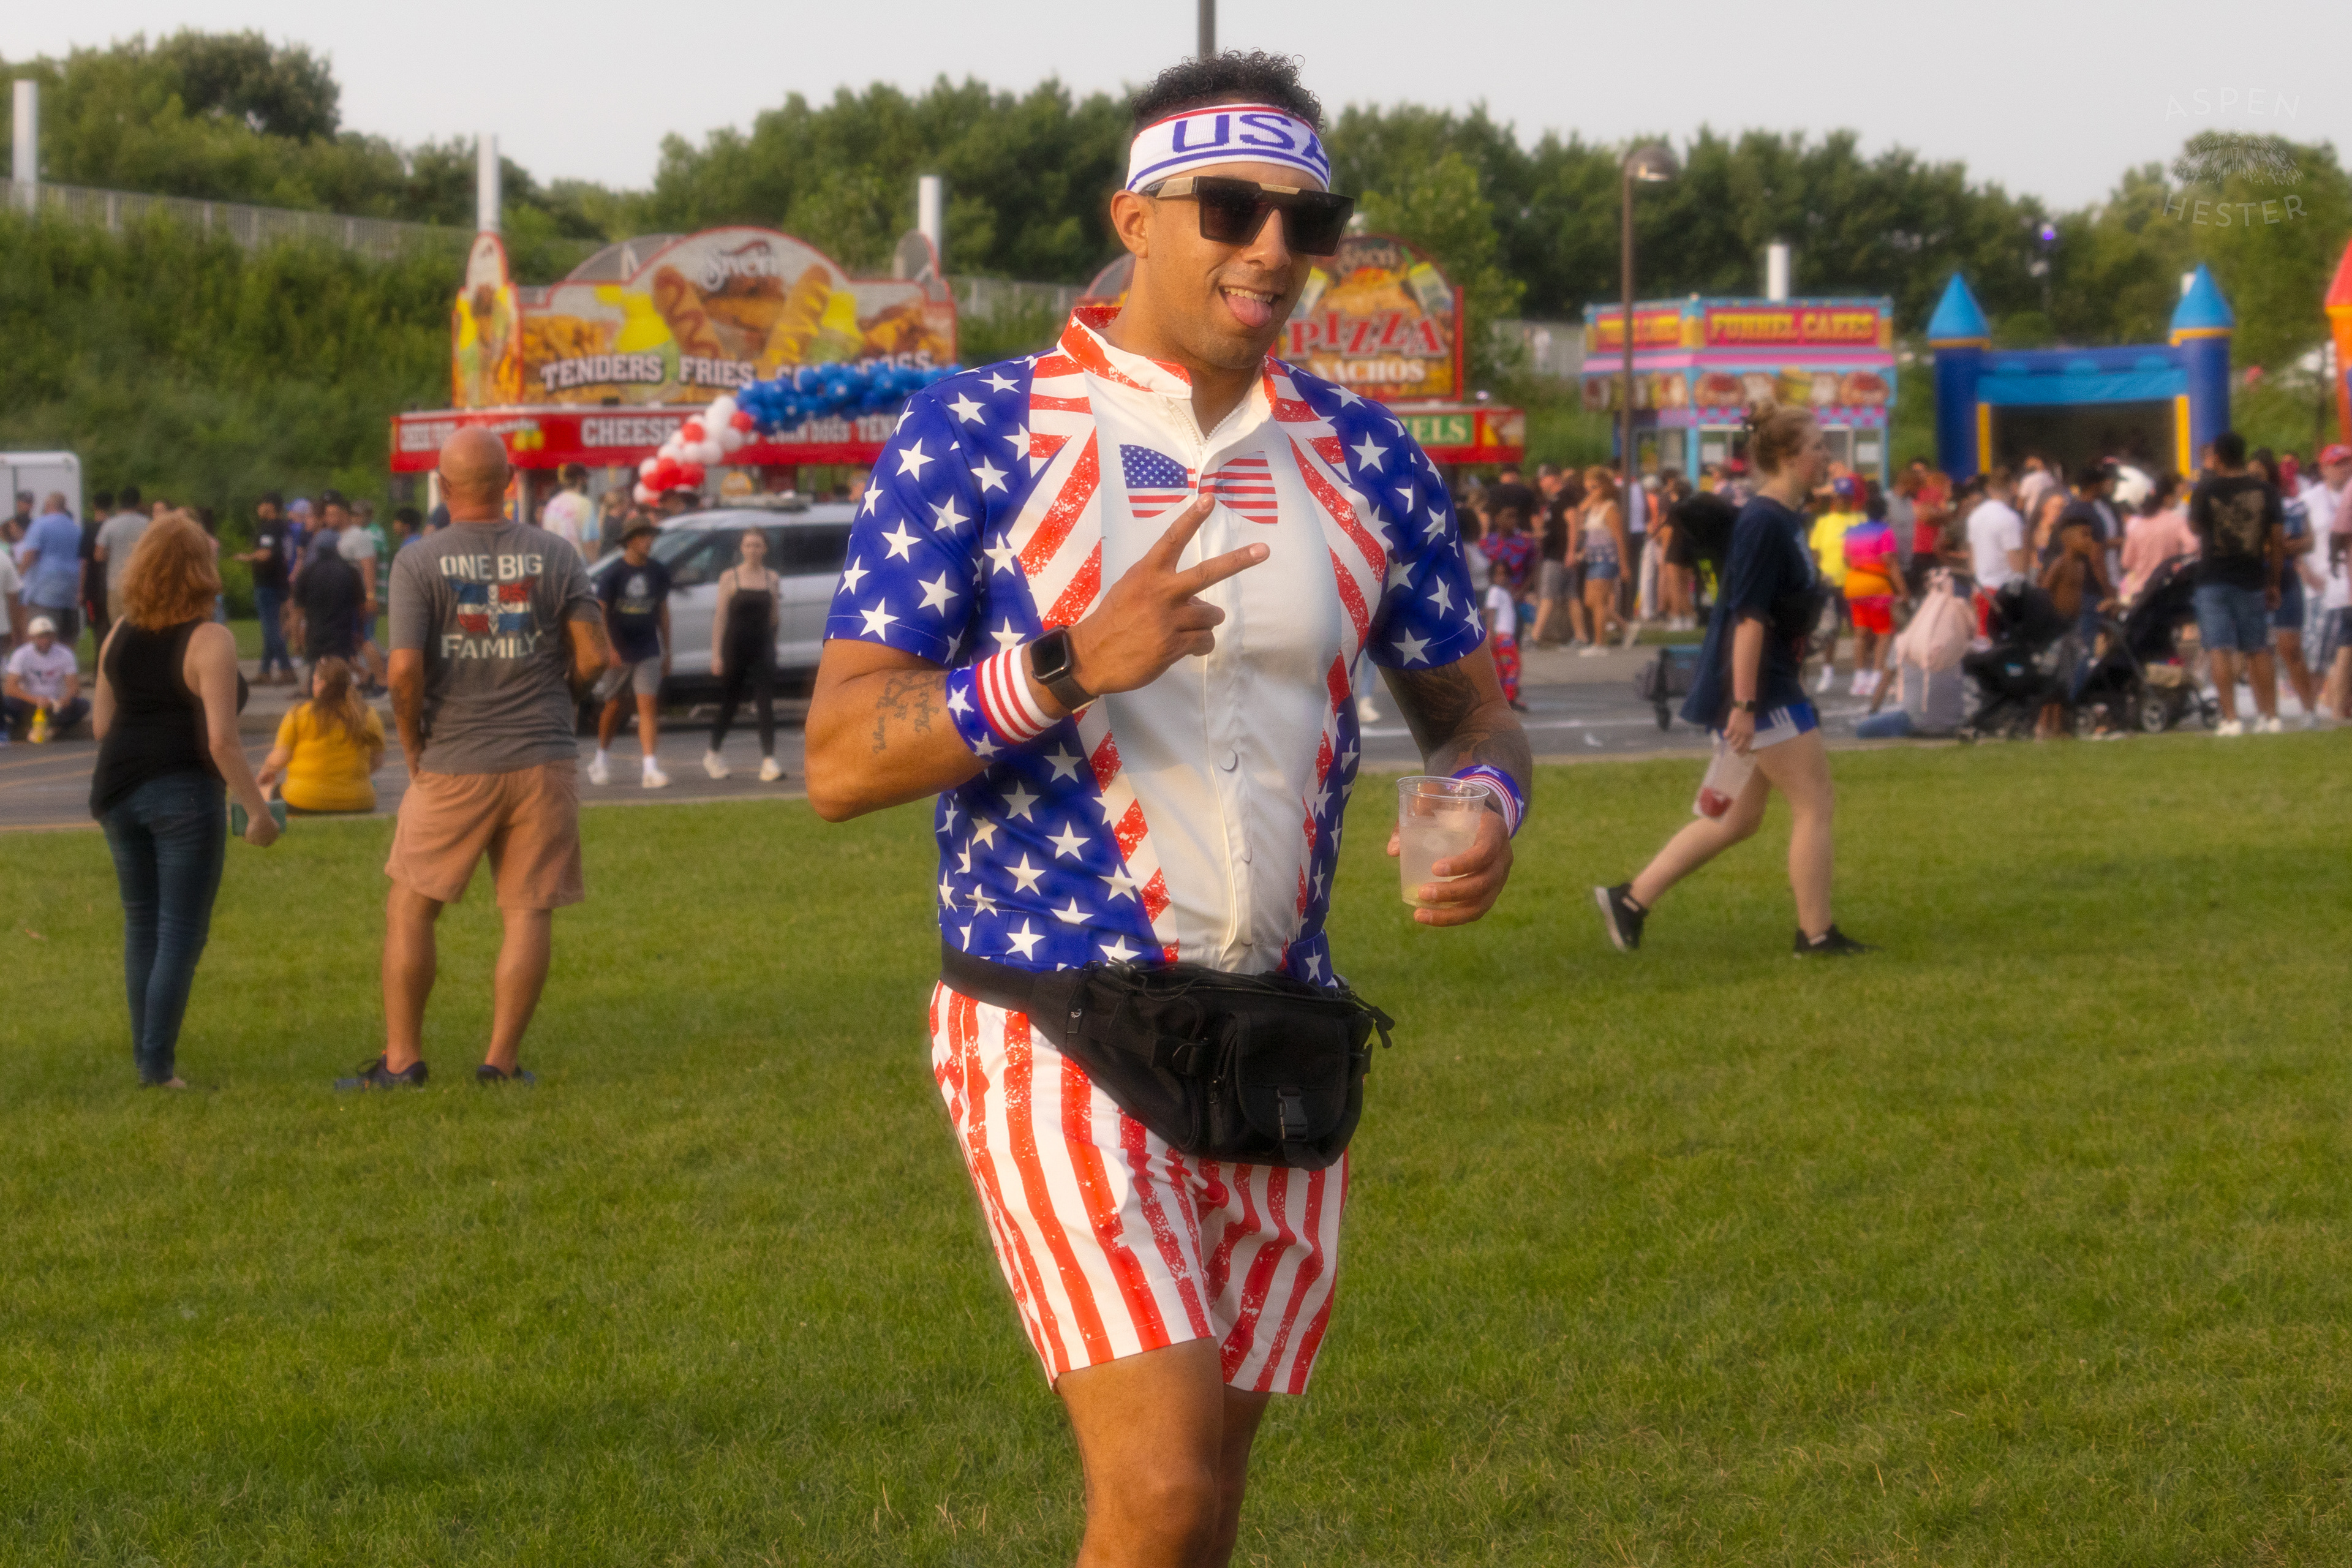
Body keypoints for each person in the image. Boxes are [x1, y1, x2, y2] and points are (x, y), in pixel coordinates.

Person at [802, 50, 1528, 1566]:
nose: (1272, 247)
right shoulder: (978, 432)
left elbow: (1471, 713)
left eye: (1306, 220)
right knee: (1162, 1492)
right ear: (1134, 219)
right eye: (1231, 206)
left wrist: (1479, 802)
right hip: (1051, 1012)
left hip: (1280, 1029)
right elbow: (840, 756)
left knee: (1197, 1513)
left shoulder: (1364, 456)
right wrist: (1067, 664)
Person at [358, 428, 608, 1091]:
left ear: (442, 488)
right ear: (510, 483)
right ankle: (500, 1063)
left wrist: (413, 743)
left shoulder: (418, 561)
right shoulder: (557, 554)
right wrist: (568, 699)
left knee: (411, 908)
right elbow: (595, 656)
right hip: (542, 756)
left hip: (454, 757)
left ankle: (403, 1058)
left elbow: (405, 671)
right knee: (527, 911)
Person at [1596, 404, 1872, 957]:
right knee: (1815, 803)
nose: (1827, 456)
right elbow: (1747, 619)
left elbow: (1774, 608)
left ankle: (1631, 900)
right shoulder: (1765, 522)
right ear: (1790, 456)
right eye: (1819, 446)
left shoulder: (1785, 519)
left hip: (1764, 682)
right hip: (1760, 688)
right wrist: (1743, 704)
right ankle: (1815, 935)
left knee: (1737, 819)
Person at [89, 514, 279, 1088]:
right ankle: (157, 1068)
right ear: (202, 570)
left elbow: (102, 725)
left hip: (117, 790)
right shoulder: (210, 640)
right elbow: (221, 740)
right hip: (181, 794)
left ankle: (148, 1057)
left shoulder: (119, 632)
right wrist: (258, 811)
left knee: (141, 925)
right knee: (178, 933)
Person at [2187, 431, 2284, 736]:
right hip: (2252, 577)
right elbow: (2278, 541)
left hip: (2212, 577)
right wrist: (2274, 582)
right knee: (2258, 647)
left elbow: (2193, 526)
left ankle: (2231, 719)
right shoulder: (2267, 491)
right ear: (2244, 455)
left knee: (2219, 647)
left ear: (2217, 456)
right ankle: (2271, 717)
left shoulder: (2206, 489)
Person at [589, 520, 673, 788]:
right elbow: (600, 611)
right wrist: (608, 647)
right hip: (620, 648)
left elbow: (662, 611)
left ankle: (650, 768)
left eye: (651, 536)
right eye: (643, 537)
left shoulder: (658, 571)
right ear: (630, 541)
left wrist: (667, 649)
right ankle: (601, 758)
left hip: (648, 646)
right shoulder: (614, 573)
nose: (648, 542)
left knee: (647, 705)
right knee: (615, 705)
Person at [255, 655, 386, 813]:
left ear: (321, 685)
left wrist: (266, 771)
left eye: (314, 680)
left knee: (259, 791)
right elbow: (377, 761)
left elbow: (280, 758)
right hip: (359, 801)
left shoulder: (300, 714)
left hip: (303, 800)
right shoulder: (367, 715)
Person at [704, 529, 785, 782]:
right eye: (749, 545)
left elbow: (774, 617)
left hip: (762, 647)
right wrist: (716, 655)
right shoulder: (730, 577)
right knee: (730, 702)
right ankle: (713, 752)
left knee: (765, 704)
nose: (753, 550)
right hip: (735, 647)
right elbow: (720, 618)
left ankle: (769, 760)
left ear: (765, 549)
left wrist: (774, 645)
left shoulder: (772, 578)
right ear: (741, 548)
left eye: (758, 545)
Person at [2250, 449, 2321, 723]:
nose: (2254, 479)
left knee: (2291, 648)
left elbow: (2309, 541)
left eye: (2259, 474)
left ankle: (2309, 710)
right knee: (2256, 650)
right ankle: (2265, 712)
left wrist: (2280, 547)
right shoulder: (2246, 510)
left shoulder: (2292, 506)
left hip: (2287, 579)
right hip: (2255, 580)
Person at [291, 511, 366, 675]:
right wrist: (360, 632)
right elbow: (361, 607)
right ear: (337, 545)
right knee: (340, 676)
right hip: (342, 634)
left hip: (316, 633)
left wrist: (296, 638)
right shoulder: (350, 572)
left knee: (317, 675)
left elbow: (298, 610)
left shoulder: (307, 573)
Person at [15, 492, 85, 649]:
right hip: (70, 589)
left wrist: (19, 574)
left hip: (45, 590)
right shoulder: (75, 529)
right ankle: (67, 667)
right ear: (64, 507)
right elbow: (81, 559)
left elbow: (30, 553)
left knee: (38, 633)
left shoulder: (40, 524)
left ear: (48, 506)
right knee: (67, 638)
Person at [241, 491, 297, 684]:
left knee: (271, 630)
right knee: (271, 630)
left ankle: (287, 670)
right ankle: (264, 672)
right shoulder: (285, 526)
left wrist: (247, 557)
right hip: (282, 581)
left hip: (267, 583)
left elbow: (266, 554)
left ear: (270, 506)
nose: (258, 509)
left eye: (260, 505)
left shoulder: (269, 527)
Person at [4, 615, 91, 738]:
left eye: (49, 636)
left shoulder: (65, 654)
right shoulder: (21, 655)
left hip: (55, 704)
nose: (45, 641)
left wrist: (65, 699)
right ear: (31, 638)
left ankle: (54, 728)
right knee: (7, 702)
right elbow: (10, 688)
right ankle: (27, 727)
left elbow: (74, 687)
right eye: (41, 637)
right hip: (29, 703)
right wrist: (36, 700)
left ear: (54, 636)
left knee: (82, 705)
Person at [2118, 473, 2197, 602]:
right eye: (2175, 496)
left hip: (2141, 594)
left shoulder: (2134, 523)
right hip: (2169, 590)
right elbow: (2193, 546)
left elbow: (2126, 562)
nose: (2177, 500)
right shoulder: (2177, 522)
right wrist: (2177, 565)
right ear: (2167, 498)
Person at [1577, 467, 1629, 652]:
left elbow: (1619, 538)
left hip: (1607, 558)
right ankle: (1625, 628)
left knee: (1599, 602)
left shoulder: (1610, 508)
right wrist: (1591, 496)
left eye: (1595, 484)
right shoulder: (1592, 507)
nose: (1590, 488)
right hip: (1592, 558)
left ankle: (1600, 643)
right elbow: (1579, 512)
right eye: (1588, 483)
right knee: (1590, 601)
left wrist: (1624, 565)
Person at [94, 486, 151, 636]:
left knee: (118, 629)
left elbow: (99, 555)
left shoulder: (110, 524)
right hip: (141, 584)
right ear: (139, 503)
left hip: (115, 584)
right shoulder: (148, 524)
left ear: (120, 503)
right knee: (140, 628)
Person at [1966, 468, 2027, 599]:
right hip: (2003, 592)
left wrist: (1974, 588)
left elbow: (1972, 555)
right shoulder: (2010, 518)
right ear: (2013, 487)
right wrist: (2018, 594)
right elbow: (2015, 560)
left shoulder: (1974, 516)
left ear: (1989, 489)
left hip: (1981, 589)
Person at [540, 465, 599, 559]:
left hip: (554, 564)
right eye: (586, 479)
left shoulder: (552, 504)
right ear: (580, 479)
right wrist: (596, 566)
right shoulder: (584, 504)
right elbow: (589, 543)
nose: (587, 482)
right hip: (576, 565)